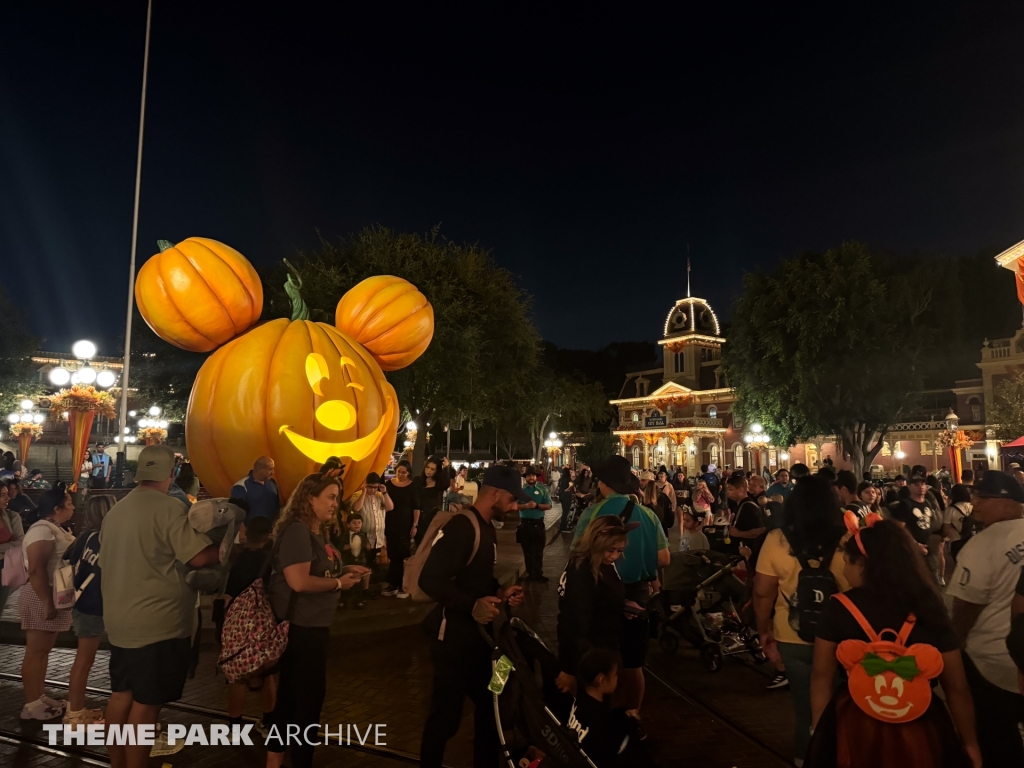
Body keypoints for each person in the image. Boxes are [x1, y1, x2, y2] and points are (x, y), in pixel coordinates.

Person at [806, 519, 980, 768]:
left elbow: (821, 676)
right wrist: (970, 743)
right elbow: (957, 688)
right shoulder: (929, 606)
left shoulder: (839, 607)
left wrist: (819, 733)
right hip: (920, 721)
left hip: (856, 721)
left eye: (847, 562)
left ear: (864, 564)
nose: (844, 571)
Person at [99, 445, 221, 767]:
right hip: (158, 624)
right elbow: (197, 556)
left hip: (120, 622)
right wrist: (226, 546)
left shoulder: (116, 511)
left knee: (121, 696)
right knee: (147, 704)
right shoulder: (169, 509)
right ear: (170, 475)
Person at [419, 464, 527, 768]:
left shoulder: (487, 525)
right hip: (453, 640)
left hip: (481, 640)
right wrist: (471, 606)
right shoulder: (462, 527)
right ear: (493, 493)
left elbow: (475, 580)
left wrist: (500, 592)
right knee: (445, 718)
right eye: (511, 499)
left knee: (493, 704)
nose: (515, 506)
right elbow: (430, 579)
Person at [265, 465, 370, 768]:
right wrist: (339, 583)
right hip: (302, 629)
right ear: (309, 498)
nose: (335, 503)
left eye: (337, 497)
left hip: (314, 626)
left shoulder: (316, 531)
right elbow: (298, 581)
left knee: (290, 700)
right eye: (330, 497)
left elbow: (316, 570)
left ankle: (275, 761)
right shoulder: (298, 531)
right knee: (306, 704)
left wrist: (344, 570)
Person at [753, 474, 849, 764]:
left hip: (792, 635)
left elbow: (762, 594)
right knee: (845, 706)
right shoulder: (849, 539)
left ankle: (805, 758)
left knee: (805, 709)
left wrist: (764, 633)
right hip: (844, 639)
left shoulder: (776, 540)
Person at [572, 456, 670, 727]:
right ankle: (632, 715)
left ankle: (597, 715)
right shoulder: (648, 514)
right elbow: (664, 559)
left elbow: (577, 556)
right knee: (633, 661)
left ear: (603, 485)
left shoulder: (591, 514)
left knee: (600, 653)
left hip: (601, 590)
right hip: (637, 594)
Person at [946, 471, 1024, 765]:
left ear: (1008, 501)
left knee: (997, 739)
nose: (975, 502)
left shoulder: (983, 544)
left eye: (984, 497)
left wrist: (957, 641)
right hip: (1015, 657)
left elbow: (966, 605)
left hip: (990, 662)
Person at [19, 482, 77, 720]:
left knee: (43, 650)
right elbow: (36, 569)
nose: (73, 507)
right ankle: (32, 704)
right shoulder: (42, 530)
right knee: (36, 651)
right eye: (69, 503)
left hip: (53, 594)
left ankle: (39, 697)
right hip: (41, 595)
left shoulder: (54, 528)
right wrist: (46, 602)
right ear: (56, 508)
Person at [555, 516, 631, 692]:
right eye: (610, 550)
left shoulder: (602, 564)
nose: (614, 556)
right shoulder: (583, 571)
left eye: (619, 550)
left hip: (602, 650)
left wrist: (623, 604)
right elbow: (573, 622)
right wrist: (569, 669)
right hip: (588, 656)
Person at [223, 515, 276, 738]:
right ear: (268, 536)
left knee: (238, 676)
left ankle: (235, 725)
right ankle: (269, 722)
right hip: (263, 623)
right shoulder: (271, 561)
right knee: (267, 673)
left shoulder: (237, 559)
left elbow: (227, 595)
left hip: (238, 625)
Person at [63, 494, 114, 726]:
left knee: (83, 659)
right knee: (85, 660)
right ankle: (74, 713)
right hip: (97, 604)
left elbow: (69, 559)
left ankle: (75, 709)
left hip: (81, 602)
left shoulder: (84, 537)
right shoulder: (106, 539)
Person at [567, 648, 655, 768]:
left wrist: (622, 714)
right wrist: (631, 722)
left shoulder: (582, 698)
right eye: (614, 675)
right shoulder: (600, 717)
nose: (617, 679)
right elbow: (610, 751)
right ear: (602, 680)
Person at [383, 460, 418, 598]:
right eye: (399, 472)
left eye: (404, 472)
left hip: (405, 524)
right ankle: (394, 584)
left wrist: (415, 524)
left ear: (408, 473)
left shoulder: (412, 486)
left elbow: (416, 507)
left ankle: (401, 584)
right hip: (391, 522)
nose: (402, 474)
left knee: (403, 554)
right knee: (393, 554)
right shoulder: (389, 485)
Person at [351, 472, 390, 574]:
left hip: (379, 538)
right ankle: (365, 588)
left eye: (375, 487)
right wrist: (364, 492)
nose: (372, 490)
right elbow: (356, 508)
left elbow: (390, 507)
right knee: (364, 566)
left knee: (377, 567)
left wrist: (385, 493)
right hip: (365, 539)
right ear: (366, 484)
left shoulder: (381, 496)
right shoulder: (357, 495)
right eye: (370, 487)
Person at [519, 466, 553, 581]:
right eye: (529, 475)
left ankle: (538, 573)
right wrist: (525, 506)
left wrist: (537, 506)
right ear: (526, 477)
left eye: (533, 475)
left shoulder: (542, 489)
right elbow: (514, 506)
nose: (531, 477)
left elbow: (549, 505)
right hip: (525, 524)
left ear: (536, 477)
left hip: (538, 524)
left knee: (538, 550)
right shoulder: (521, 491)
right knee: (527, 551)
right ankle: (530, 574)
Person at [725, 474, 766, 558]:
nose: (728, 492)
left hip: (746, 553)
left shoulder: (749, 507)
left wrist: (739, 534)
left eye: (731, 489)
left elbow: (760, 530)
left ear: (740, 490)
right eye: (727, 489)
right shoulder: (739, 504)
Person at [0, 482, 25, 613]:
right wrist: (9, 545)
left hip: (4, 567)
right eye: (2, 495)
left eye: (7, 494)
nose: (7, 498)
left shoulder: (12, 517)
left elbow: (20, 542)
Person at [230, 456, 280, 522]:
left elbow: (277, 506)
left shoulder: (272, 483)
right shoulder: (241, 487)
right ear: (260, 469)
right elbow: (236, 515)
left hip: (272, 529)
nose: (273, 472)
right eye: (270, 469)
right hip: (251, 530)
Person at [414, 456, 448, 547]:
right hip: (419, 517)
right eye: (427, 467)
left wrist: (446, 467)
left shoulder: (439, 483)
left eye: (432, 469)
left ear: (437, 471)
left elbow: (446, 483)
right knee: (419, 544)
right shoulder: (417, 480)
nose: (428, 471)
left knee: (431, 545)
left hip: (432, 518)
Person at [338, 513, 370, 608]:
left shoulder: (363, 534)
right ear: (348, 525)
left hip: (360, 561)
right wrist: (344, 547)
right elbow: (339, 547)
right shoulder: (344, 535)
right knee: (347, 581)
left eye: (359, 522)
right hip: (348, 562)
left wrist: (367, 545)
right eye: (354, 523)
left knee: (358, 583)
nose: (357, 525)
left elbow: (365, 544)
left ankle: (358, 600)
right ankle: (343, 601)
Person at [942, 484, 974, 561]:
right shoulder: (973, 506)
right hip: (973, 540)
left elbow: (946, 530)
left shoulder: (950, 510)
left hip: (957, 542)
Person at [558, 466, 576, 532]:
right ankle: (563, 527)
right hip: (567, 496)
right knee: (566, 512)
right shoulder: (568, 479)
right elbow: (571, 485)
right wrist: (568, 489)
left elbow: (559, 487)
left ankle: (562, 526)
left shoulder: (561, 479)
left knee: (564, 511)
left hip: (562, 496)